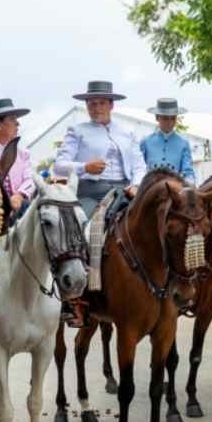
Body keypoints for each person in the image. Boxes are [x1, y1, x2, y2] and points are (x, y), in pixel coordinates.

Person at [52, 79, 147, 291]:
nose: (96, 108)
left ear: (111, 105)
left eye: (101, 103)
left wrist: (137, 185)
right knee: (80, 231)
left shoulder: (128, 132)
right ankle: (77, 288)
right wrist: (85, 166)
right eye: (91, 104)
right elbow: (59, 166)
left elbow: (140, 164)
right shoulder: (77, 130)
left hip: (125, 191)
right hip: (90, 193)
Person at [140, 97, 196, 181]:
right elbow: (139, 168)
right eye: (165, 118)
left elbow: (187, 171)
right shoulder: (146, 142)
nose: (170, 122)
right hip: (149, 188)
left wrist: (190, 183)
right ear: (157, 117)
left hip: (174, 189)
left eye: (173, 118)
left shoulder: (183, 143)